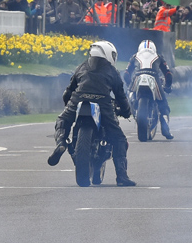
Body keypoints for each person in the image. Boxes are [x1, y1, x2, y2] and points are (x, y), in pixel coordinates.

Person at [47, 41, 136, 186]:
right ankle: (122, 176)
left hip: (78, 99)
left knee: (62, 121)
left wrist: (69, 106)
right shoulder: (112, 71)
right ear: (108, 54)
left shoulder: (82, 66)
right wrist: (126, 112)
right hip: (103, 102)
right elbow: (120, 95)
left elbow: (68, 91)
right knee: (119, 139)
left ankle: (61, 143)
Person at [123, 40, 174, 140]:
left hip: (138, 77)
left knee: (130, 94)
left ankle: (133, 103)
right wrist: (167, 87)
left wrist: (129, 85)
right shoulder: (158, 56)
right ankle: (165, 130)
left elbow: (126, 74)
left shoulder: (134, 56)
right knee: (163, 104)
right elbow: (168, 74)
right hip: (153, 78)